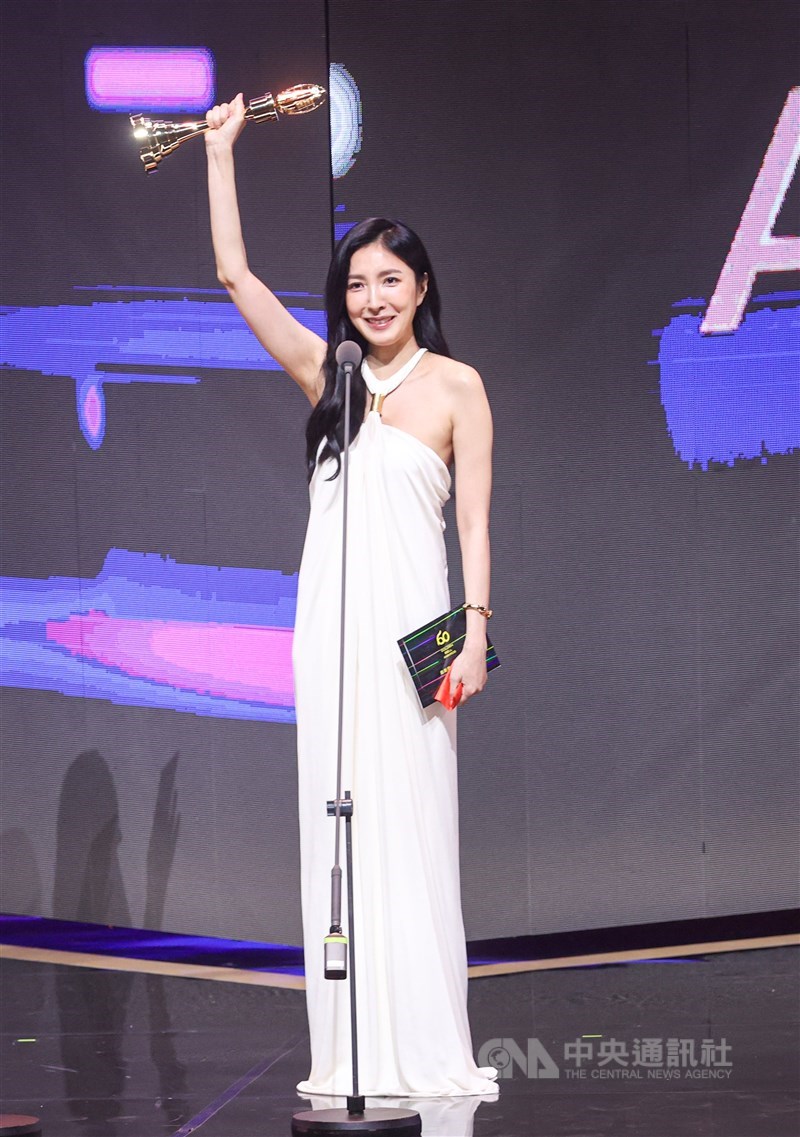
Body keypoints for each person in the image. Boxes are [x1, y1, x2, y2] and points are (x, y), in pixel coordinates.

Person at [205, 94, 498, 1098]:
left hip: (419, 636)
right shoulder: (325, 376)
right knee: (338, 824)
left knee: (414, 824)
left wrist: (472, 636)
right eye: (356, 284)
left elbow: (471, 527)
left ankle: (422, 1040)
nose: (371, 297)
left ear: (419, 286)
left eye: (389, 280)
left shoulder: (457, 386)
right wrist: (219, 153)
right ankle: (351, 1048)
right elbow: (234, 277)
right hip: (329, 639)